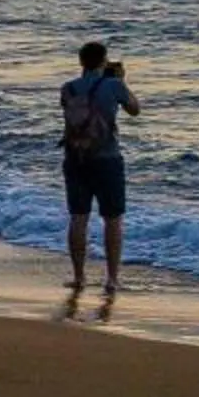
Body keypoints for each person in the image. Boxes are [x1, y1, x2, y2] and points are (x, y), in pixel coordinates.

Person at [59, 41, 139, 292]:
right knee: (113, 219)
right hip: (107, 158)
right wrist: (121, 80)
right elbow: (134, 109)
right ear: (104, 60)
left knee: (78, 217)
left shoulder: (68, 88)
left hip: (75, 158)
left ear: (81, 62)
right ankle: (112, 278)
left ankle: (79, 277)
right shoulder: (113, 85)